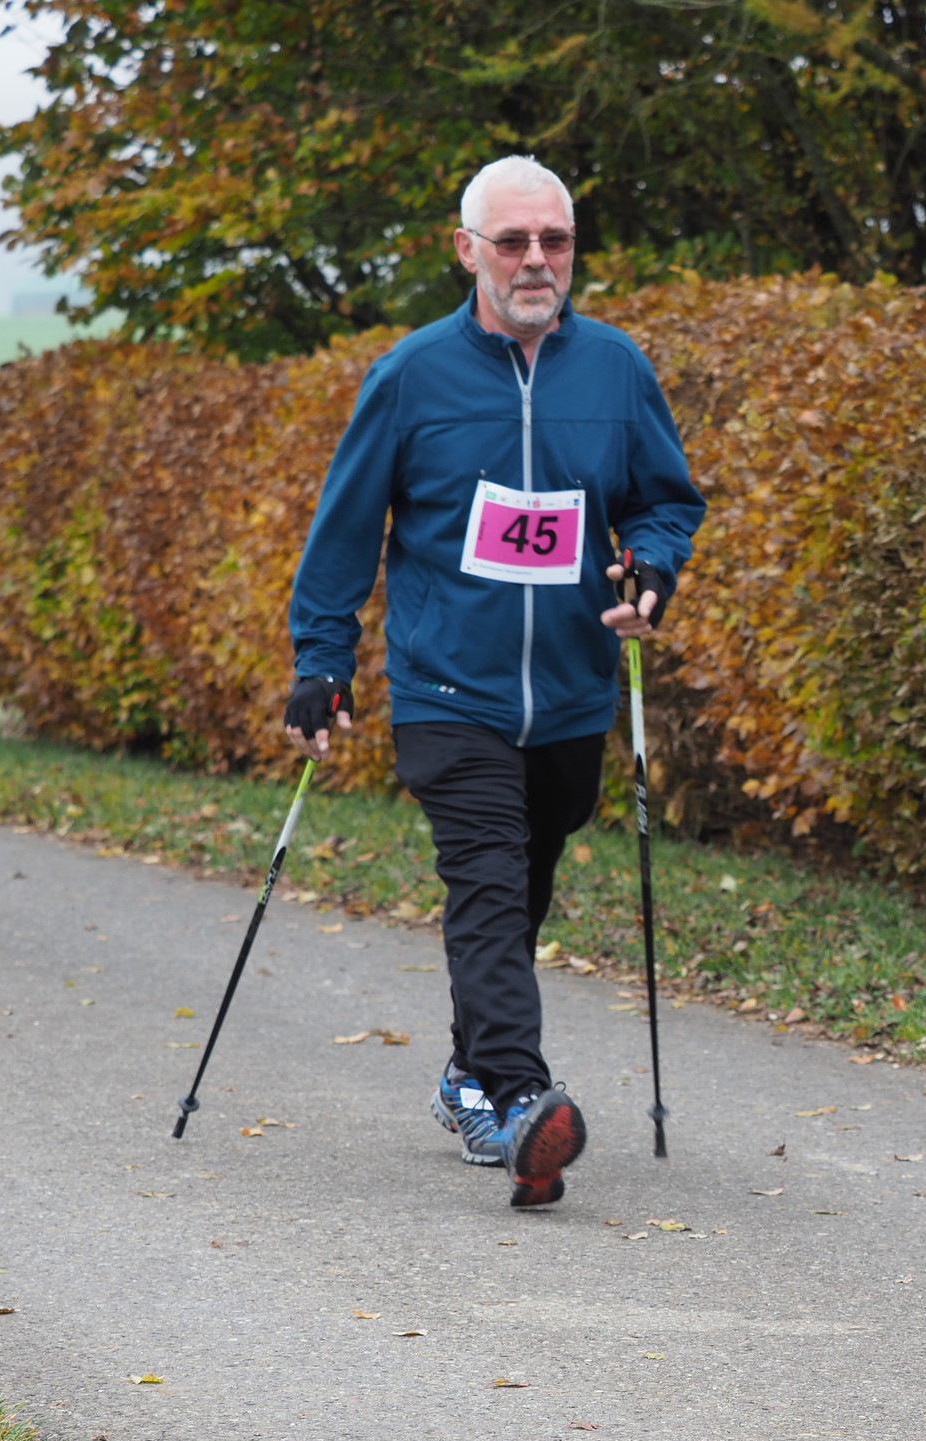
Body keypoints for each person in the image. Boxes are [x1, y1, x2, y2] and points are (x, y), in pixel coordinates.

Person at [284, 154, 704, 1209]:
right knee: (486, 879)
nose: (535, 261)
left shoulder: (616, 370)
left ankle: (466, 1075)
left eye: (554, 241)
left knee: (524, 884)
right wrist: (321, 659)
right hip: (448, 689)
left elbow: (664, 501)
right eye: (512, 241)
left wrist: (651, 568)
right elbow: (346, 529)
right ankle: (521, 1102)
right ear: (466, 250)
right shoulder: (411, 376)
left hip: (569, 689)